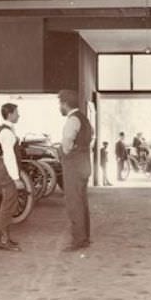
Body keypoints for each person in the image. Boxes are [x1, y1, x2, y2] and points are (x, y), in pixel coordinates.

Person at [58, 90, 92, 252]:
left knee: (73, 202)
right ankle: (84, 237)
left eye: (60, 104)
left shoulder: (72, 120)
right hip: (85, 163)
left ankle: (78, 240)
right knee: (82, 200)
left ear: (65, 104)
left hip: (74, 165)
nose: (59, 107)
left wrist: (65, 151)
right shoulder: (85, 119)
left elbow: (67, 144)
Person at [0, 103, 22, 252]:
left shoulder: (8, 130)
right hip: (7, 170)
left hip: (5, 169)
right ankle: (4, 240)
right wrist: (16, 178)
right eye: (17, 112)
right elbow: (9, 157)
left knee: (9, 204)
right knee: (7, 205)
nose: (19, 115)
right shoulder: (7, 133)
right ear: (10, 114)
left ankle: (6, 237)